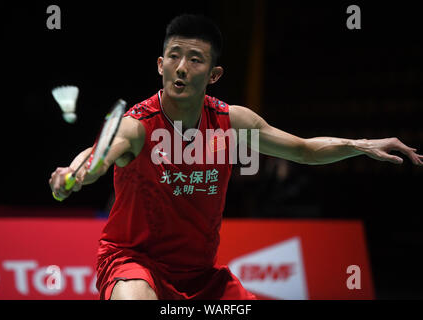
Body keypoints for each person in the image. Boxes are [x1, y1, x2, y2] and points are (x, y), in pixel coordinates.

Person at [49, 14, 423, 300]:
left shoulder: (232, 121)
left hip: (201, 275)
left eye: (194, 60)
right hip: (134, 262)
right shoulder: (137, 124)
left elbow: (305, 151)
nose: (181, 67)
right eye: (174, 57)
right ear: (160, 65)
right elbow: (100, 151)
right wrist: (76, 171)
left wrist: (359, 144)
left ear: (214, 74)